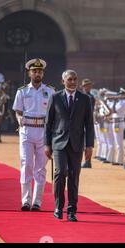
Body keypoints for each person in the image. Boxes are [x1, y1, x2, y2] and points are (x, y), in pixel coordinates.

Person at [44, 69, 94, 222]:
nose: (73, 82)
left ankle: (72, 210)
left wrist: (89, 145)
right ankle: (58, 207)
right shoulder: (55, 97)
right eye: (70, 79)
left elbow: (89, 124)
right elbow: (48, 123)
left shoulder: (85, 99)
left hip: (77, 144)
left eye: (75, 79)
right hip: (58, 142)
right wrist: (47, 144)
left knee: (74, 176)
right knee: (60, 173)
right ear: (63, 81)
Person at [12, 58, 55, 211]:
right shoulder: (22, 91)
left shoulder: (50, 91)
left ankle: (37, 202)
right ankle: (25, 200)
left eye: (40, 71)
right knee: (26, 165)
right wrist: (19, 119)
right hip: (27, 131)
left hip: (43, 132)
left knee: (40, 168)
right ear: (29, 73)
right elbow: (18, 110)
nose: (37, 73)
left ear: (42, 74)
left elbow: (54, 113)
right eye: (34, 71)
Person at [81, 79, 96, 168]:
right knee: (84, 142)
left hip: (86, 121)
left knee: (87, 142)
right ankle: (87, 161)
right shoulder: (84, 96)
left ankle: (88, 161)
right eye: (84, 86)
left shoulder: (89, 97)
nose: (86, 87)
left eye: (87, 86)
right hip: (83, 121)